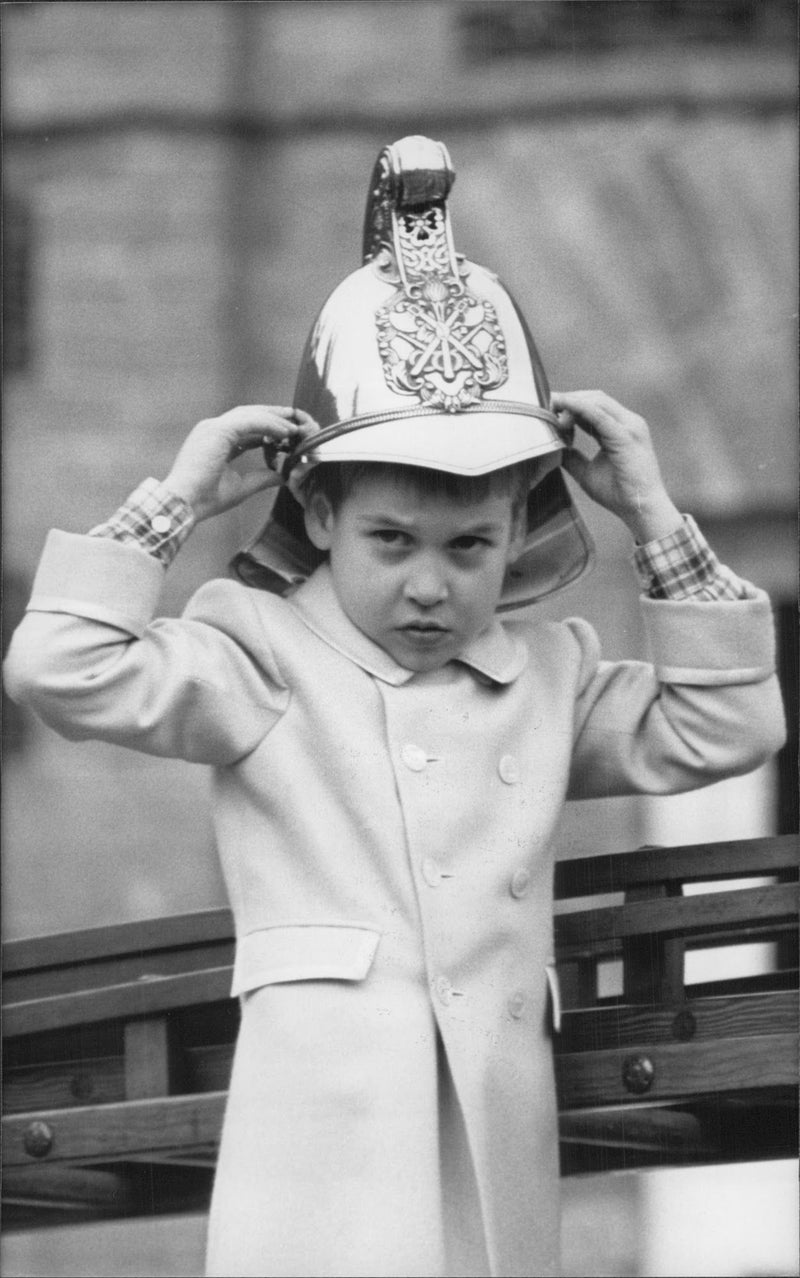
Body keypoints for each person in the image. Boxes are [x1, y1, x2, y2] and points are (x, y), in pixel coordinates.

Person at [3, 137, 785, 1278]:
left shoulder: (547, 676)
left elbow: (728, 729)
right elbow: (57, 669)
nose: (430, 584)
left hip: (493, 1125)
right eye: (389, 540)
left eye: (469, 546)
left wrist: (654, 515)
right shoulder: (256, 652)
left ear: (521, 530)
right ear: (316, 516)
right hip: (321, 1139)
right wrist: (174, 504)